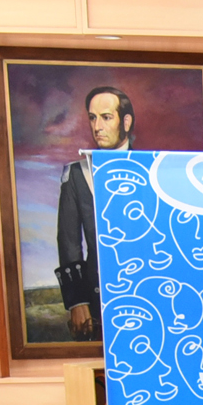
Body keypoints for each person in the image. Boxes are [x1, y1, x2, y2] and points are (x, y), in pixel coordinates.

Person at [56, 83, 133, 341]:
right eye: (92, 118)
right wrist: (77, 302)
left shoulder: (153, 167)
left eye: (106, 117)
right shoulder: (77, 174)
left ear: (126, 121)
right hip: (97, 294)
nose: (97, 127)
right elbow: (68, 241)